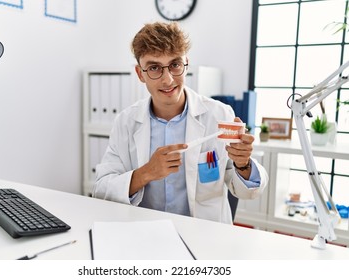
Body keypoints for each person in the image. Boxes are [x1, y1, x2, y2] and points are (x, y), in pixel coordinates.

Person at [93, 21, 268, 224]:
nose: (168, 80)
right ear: (140, 74)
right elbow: (101, 189)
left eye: (175, 65)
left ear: (186, 64)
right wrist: (146, 173)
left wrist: (243, 164)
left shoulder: (218, 114)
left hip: (203, 236)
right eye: (154, 68)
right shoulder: (125, 122)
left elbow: (248, 192)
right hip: (145, 234)